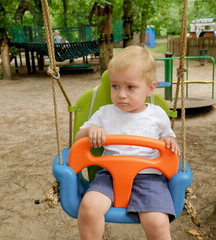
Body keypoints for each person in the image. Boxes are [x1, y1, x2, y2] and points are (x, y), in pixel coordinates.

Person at [75, 45, 180, 240]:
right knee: (89, 208)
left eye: (130, 87)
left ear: (150, 88)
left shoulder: (157, 114)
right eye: (115, 86)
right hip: (109, 175)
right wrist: (90, 131)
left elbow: (169, 137)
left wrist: (170, 141)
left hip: (149, 177)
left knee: (157, 222)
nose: (121, 94)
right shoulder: (104, 113)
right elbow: (78, 138)